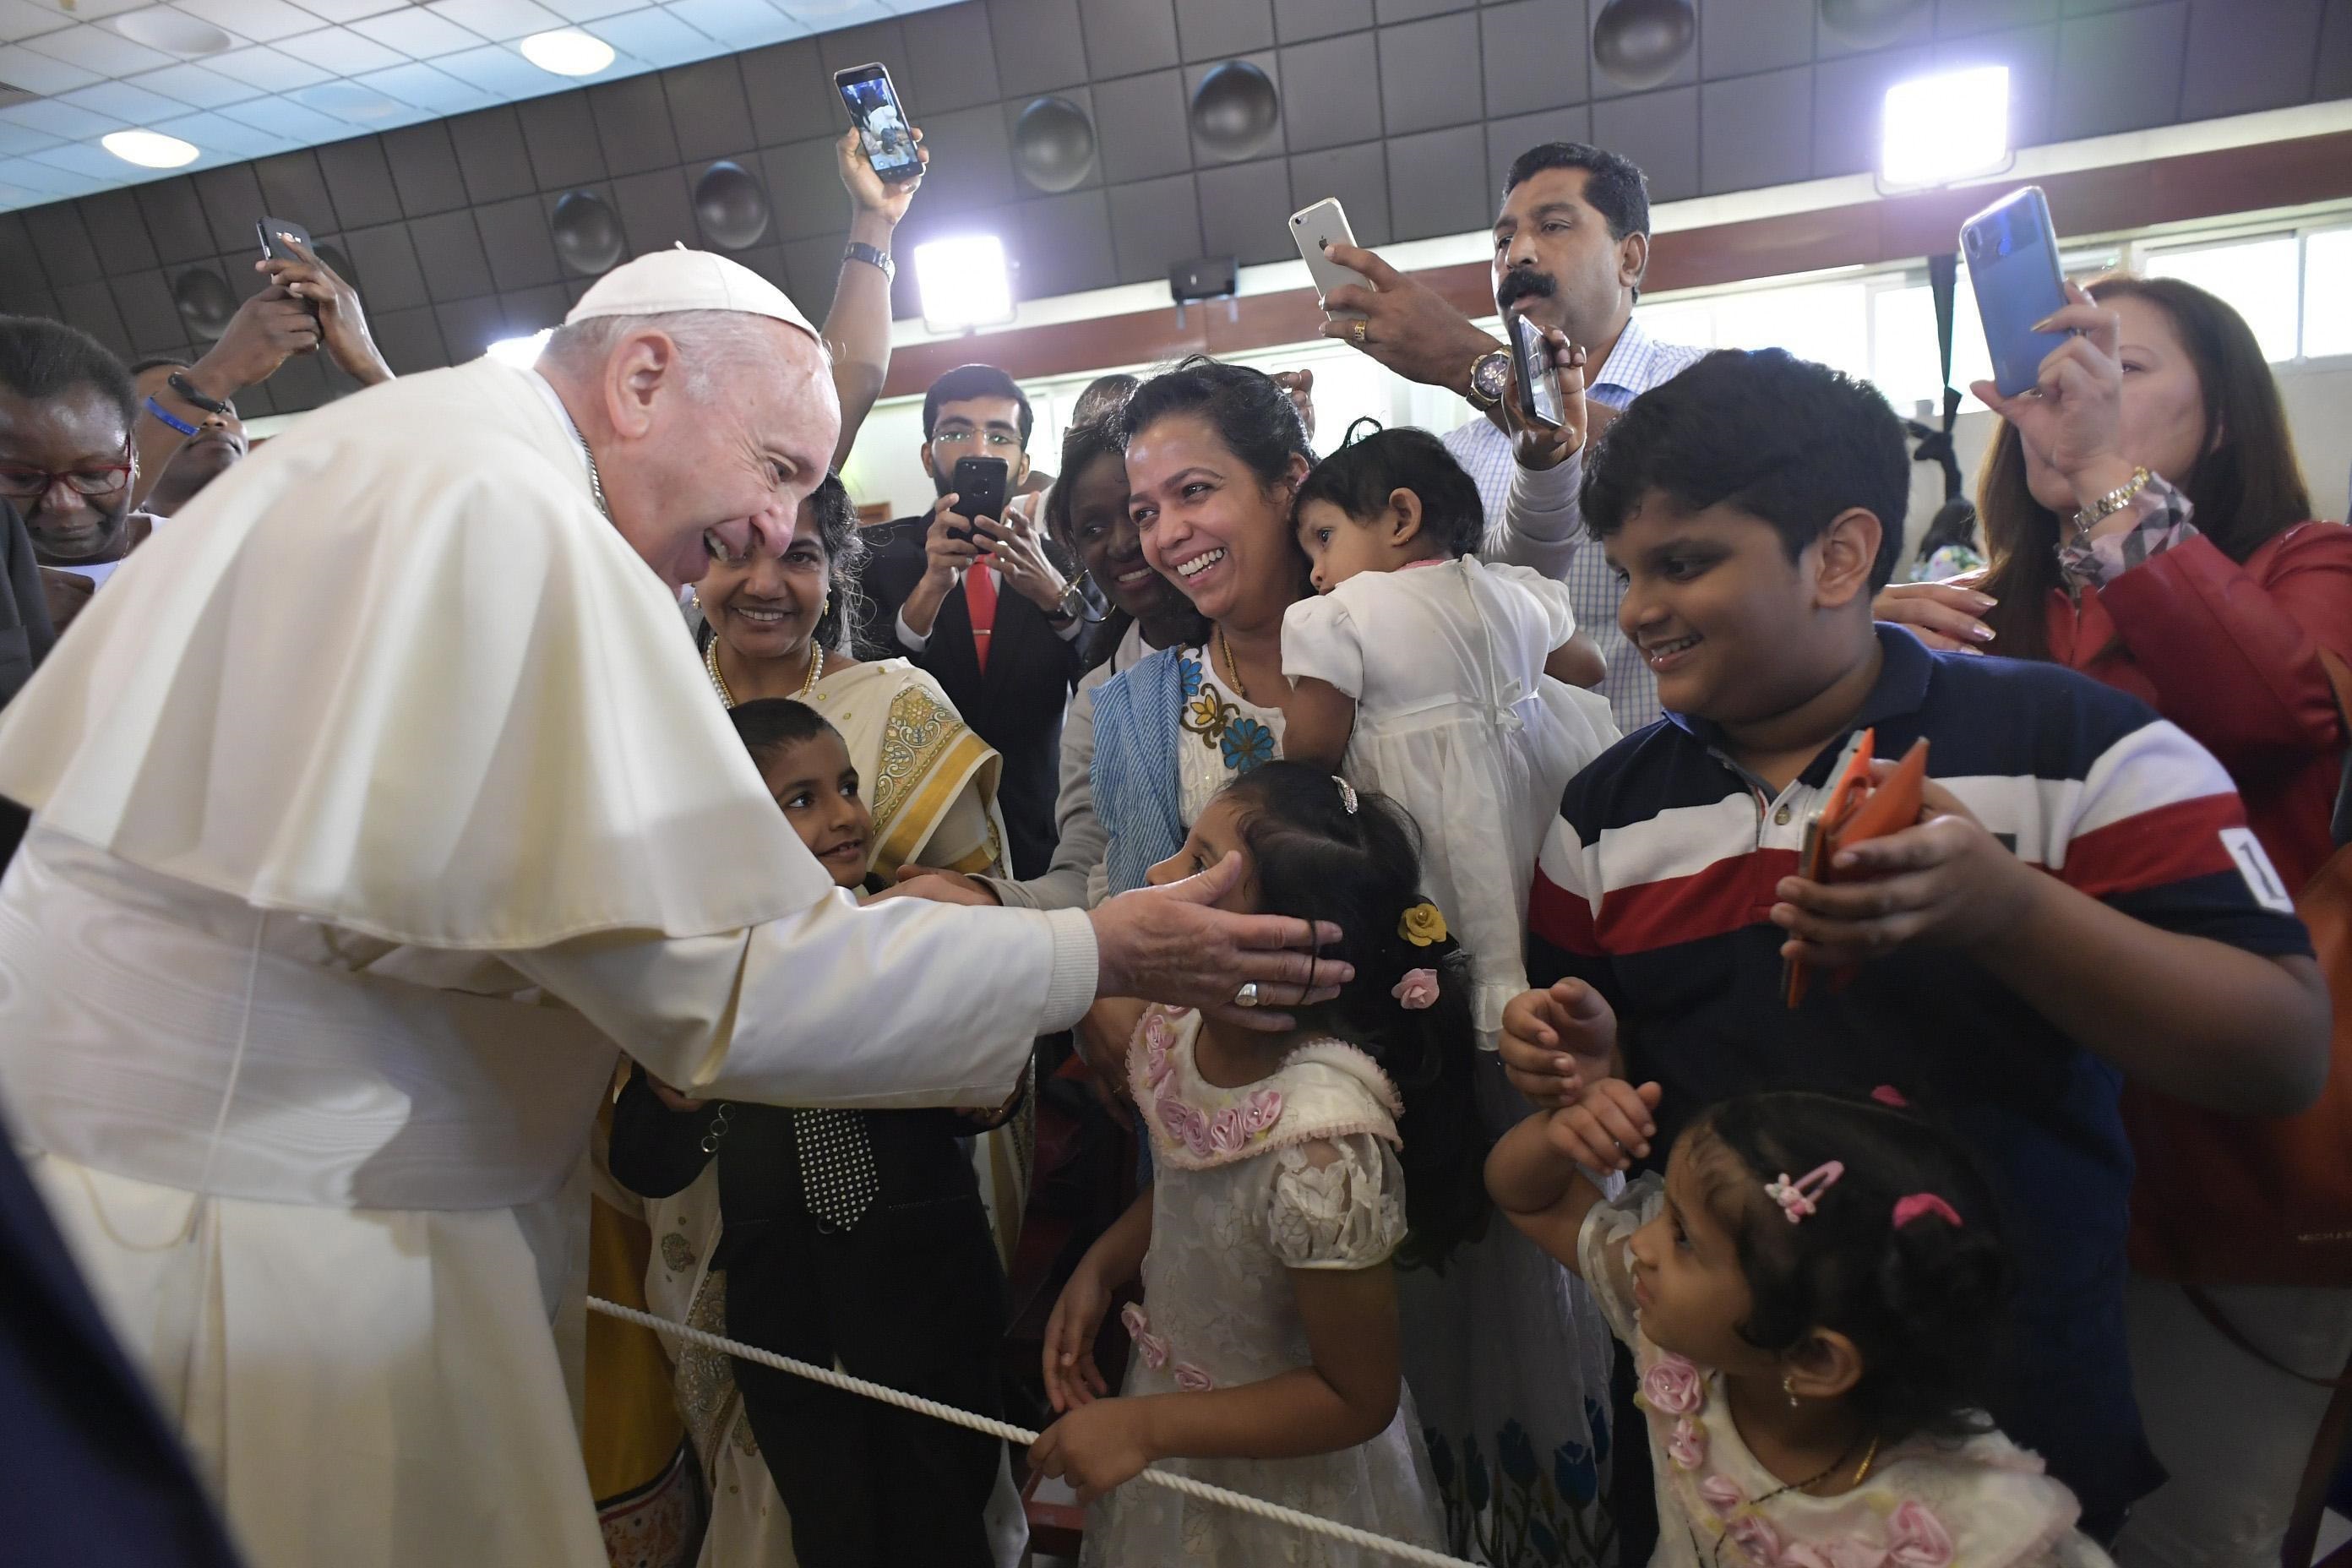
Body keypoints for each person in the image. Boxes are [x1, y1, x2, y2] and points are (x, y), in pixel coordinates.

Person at [0, 248, 1348, 1568]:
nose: (777, 530)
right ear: (643, 377)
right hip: (261, 1242)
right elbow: (736, 980)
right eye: (777, 470)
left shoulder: (426, 459)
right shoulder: (507, 514)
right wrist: (1093, 949)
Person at [1496, 346, 2328, 1538]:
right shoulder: (1604, 813)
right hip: (1719, 1456)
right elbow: (1592, 1097)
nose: (1638, 613)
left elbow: (2281, 1050)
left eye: (1683, 564)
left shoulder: (2077, 745)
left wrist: (2010, 913)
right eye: (1626, 572)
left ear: (1839, 554)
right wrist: (1575, 1055)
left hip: (2011, 1442)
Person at [1900, 275, 2352, 1568]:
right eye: (2060, 373)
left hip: (2219, 1143)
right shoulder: (1987, 605)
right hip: (2019, 1148)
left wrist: (2101, 476)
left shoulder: (2305, 566)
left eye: (2126, 368)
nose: (2076, 389)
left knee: (2210, 1527)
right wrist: (1860, 641)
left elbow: (2273, 713)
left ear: (2220, 422)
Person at [1029, 763, 1474, 1565]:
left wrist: (1146, 1427)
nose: (1158, 880)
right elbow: (1199, 1171)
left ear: (1286, 946)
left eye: (1201, 870)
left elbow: (1356, 1395)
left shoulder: (1323, 1146)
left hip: (1287, 1486)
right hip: (1171, 1420)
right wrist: (1103, 1264)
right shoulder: (1178, 1030)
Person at [612, 699, 1015, 1568]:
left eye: (846, 786)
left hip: (932, 1295)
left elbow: (982, 1089)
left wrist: (988, 1082)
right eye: (799, 799)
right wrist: (674, 1092)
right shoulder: (706, 980)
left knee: (946, 1521)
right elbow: (644, 1159)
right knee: (829, 1531)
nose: (843, 816)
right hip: (787, 1317)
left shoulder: (905, 933)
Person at [1487, 1086, 2117, 1565]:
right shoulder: (1690, 1344)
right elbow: (1530, 1195)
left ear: (1815, 1360)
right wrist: (1557, 1132)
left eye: (1683, 1237)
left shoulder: (1985, 1527)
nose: (1643, 1245)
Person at [1318, 140, 1707, 732]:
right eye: (1502, 241)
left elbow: (1704, 473)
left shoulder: (1702, 382)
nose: (1517, 253)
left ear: (1629, 258)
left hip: (1683, 790)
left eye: (1553, 226)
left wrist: (1468, 363)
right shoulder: (1461, 456)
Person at [1283, 421, 1620, 1047]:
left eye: (1324, 539)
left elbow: (1309, 749)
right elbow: (1588, 668)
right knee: (1555, 968)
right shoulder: (1513, 589)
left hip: (1439, 843)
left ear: (1401, 517)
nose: (1317, 573)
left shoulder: (1344, 616)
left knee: (1456, 989)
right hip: (1542, 828)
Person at [857, 363, 1084, 878]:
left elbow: (1102, 679)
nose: (979, 449)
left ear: (1022, 464)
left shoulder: (1066, 562)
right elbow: (862, 692)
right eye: (956, 432)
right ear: (926, 454)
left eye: (999, 436)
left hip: (1038, 835)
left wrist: (1054, 596)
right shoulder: (875, 555)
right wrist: (931, 588)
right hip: (912, 837)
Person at [130, 236, 392, 514]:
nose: (213, 418)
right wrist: (219, 372)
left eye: (223, 407)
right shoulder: (109, 550)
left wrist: (370, 366)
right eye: (167, 400)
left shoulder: (313, 516)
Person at [0, 315, 144, 632]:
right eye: (23, 478)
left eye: (94, 473)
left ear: (132, 451)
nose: (66, 504)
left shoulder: (216, 553)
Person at [1906, 497, 1983, 583]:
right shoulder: (1956, 555)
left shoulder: (1925, 554)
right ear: (1967, 527)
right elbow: (1989, 579)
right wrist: (1983, 549)